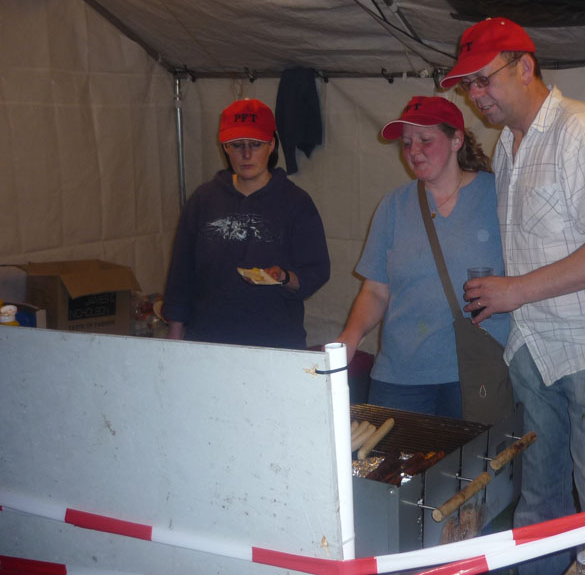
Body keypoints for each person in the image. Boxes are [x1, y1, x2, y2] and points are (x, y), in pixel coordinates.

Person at [440, 18, 585, 574]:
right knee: (539, 503)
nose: (475, 95)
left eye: (484, 80)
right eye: (468, 85)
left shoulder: (580, 129)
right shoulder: (508, 147)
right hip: (536, 348)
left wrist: (514, 291)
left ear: (525, 67)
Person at [336, 96, 509, 419]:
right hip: (400, 377)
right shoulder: (394, 205)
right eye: (406, 143)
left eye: (425, 140)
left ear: (456, 140)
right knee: (396, 455)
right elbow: (375, 290)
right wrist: (350, 337)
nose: (414, 151)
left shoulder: (499, 195)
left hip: (476, 373)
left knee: (474, 455)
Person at [163, 98, 330, 349]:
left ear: (271, 145)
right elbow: (181, 272)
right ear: (225, 147)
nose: (247, 154)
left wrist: (284, 277)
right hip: (208, 339)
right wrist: (175, 334)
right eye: (237, 145)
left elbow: (317, 271)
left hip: (275, 341)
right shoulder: (203, 199)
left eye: (256, 144)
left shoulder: (296, 202)